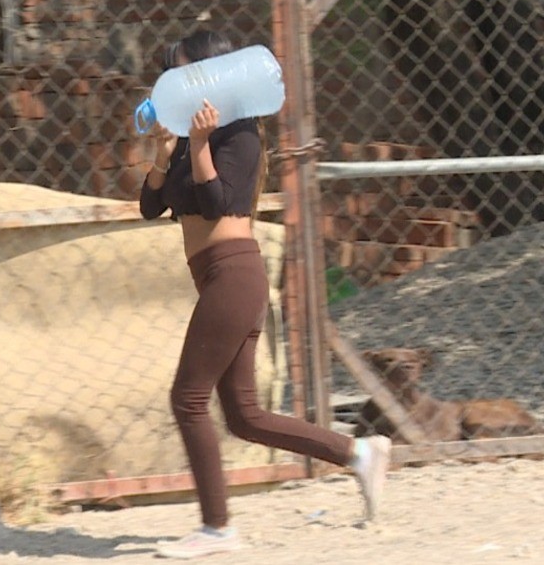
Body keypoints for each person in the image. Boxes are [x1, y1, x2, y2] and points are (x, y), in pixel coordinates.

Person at [138, 30, 392, 559]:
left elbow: (216, 204)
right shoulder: (187, 139)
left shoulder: (240, 139)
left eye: (185, 74)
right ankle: (358, 453)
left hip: (234, 275)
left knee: (187, 400)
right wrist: (165, 155)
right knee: (245, 416)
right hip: (216, 278)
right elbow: (151, 206)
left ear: (210, 78)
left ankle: (216, 529)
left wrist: (201, 144)